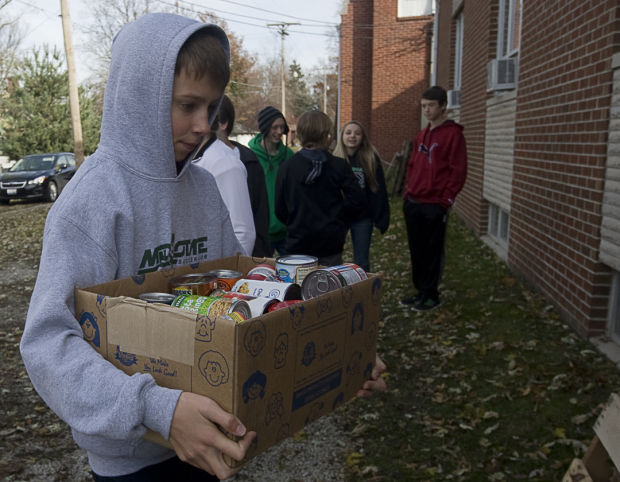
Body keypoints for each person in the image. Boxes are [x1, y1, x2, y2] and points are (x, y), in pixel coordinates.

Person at [19, 14, 256, 481]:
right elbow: (48, 344)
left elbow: (243, 291)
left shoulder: (205, 188)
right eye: (187, 106)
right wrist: (157, 410)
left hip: (210, 438)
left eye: (211, 107)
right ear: (138, 100)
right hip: (132, 461)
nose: (204, 125)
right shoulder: (91, 203)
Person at [401, 85, 468, 311]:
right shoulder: (422, 134)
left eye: (431, 106)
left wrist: (445, 201)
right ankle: (420, 290)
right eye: (423, 106)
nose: (427, 110)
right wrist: (408, 193)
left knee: (432, 251)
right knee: (416, 249)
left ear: (443, 106)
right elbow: (412, 166)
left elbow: (457, 171)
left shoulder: (453, 134)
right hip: (414, 202)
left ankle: (431, 294)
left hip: (434, 205)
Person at [275, 110, 365, 267]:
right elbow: (356, 201)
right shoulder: (339, 166)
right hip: (329, 245)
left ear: (300, 134)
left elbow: (280, 208)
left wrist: (296, 220)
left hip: (298, 244)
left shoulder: (287, 168)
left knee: (297, 289)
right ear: (326, 135)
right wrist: (338, 219)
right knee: (326, 289)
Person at [214, 95, 271, 257]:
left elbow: (260, 212)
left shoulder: (248, 161)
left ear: (223, 123)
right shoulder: (197, 159)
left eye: (210, 120)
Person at [193, 117, 256, 256]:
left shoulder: (225, 164)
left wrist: (230, 276)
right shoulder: (187, 158)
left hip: (218, 273)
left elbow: (243, 233)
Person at [333, 120, 390, 272]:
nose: (352, 136)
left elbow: (378, 189)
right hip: (341, 216)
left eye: (357, 133)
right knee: (334, 256)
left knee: (361, 260)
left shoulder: (370, 158)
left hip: (363, 217)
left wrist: (382, 217)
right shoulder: (335, 159)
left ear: (363, 137)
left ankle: (362, 290)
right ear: (342, 136)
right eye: (348, 132)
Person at [248, 106, 294, 256]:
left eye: (282, 127)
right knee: (263, 274)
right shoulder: (251, 157)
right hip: (262, 230)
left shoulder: (288, 155)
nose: (279, 132)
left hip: (286, 229)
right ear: (265, 128)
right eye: (275, 127)